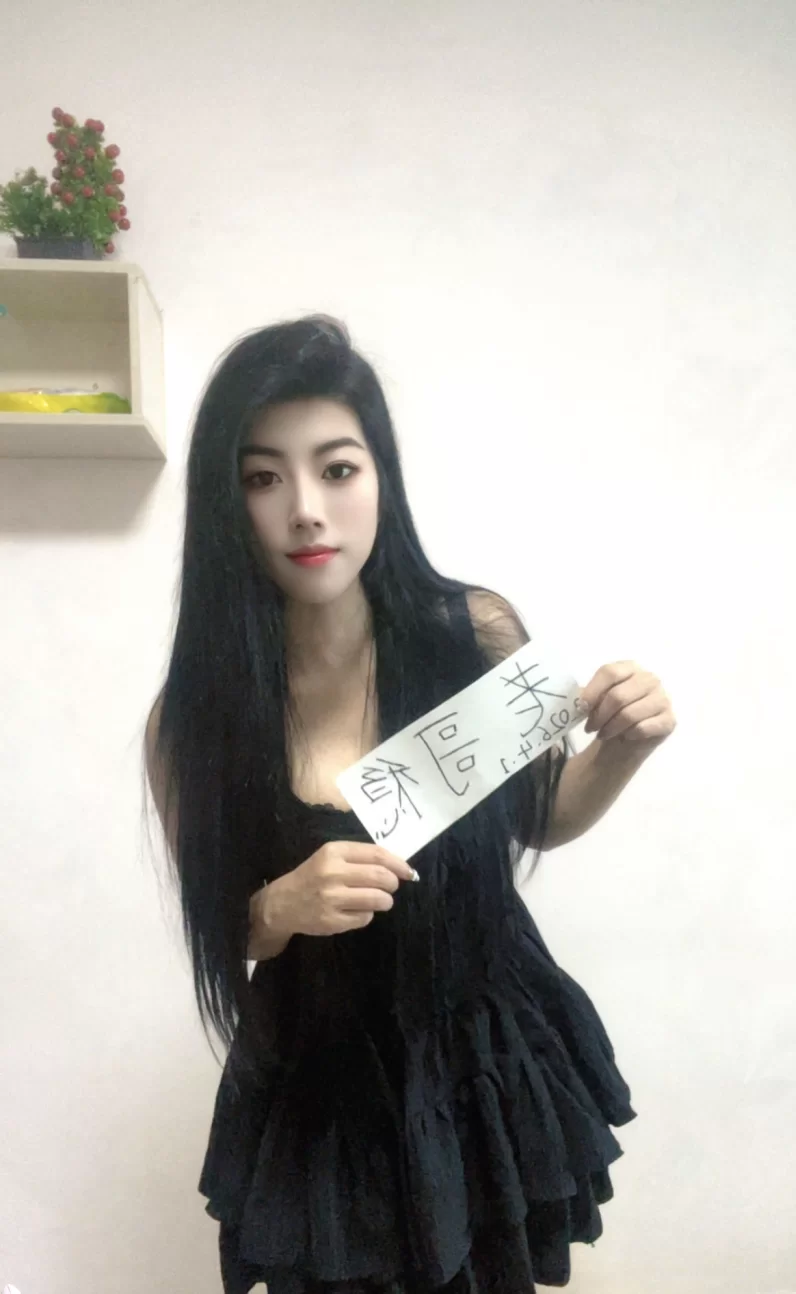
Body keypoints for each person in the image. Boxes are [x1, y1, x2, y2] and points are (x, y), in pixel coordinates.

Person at [145, 317, 675, 1294]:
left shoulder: (469, 634)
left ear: (379, 477)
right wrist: (281, 905)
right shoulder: (196, 717)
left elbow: (542, 816)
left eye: (337, 468)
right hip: (324, 1081)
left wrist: (623, 748)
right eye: (263, 478)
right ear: (226, 503)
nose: (307, 511)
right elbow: (223, 925)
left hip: (478, 1053)